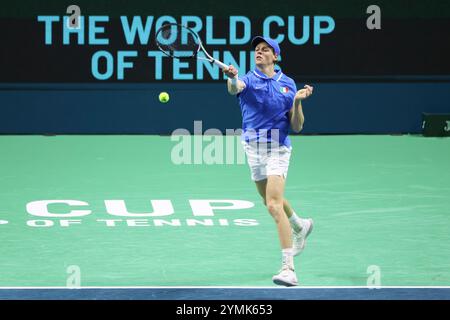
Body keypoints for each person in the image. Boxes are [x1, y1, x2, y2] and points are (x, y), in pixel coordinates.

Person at [223, 36, 314, 287]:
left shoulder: (288, 84)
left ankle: (288, 268)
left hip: (278, 149)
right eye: (256, 50)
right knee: (268, 200)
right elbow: (235, 87)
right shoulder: (249, 79)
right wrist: (232, 76)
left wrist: (296, 101)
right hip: (253, 148)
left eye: (265, 50)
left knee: (274, 205)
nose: (259, 53)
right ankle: (300, 225)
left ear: (276, 56)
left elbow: (297, 126)